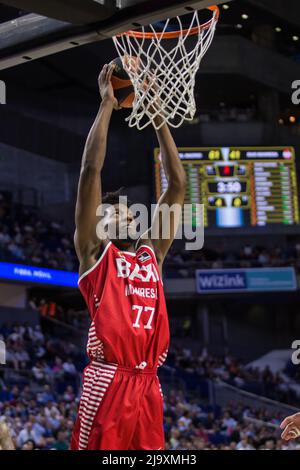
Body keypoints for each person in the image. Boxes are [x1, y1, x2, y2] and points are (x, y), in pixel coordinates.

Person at [70, 63, 186, 450]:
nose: (131, 213)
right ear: (100, 223)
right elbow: (90, 171)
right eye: (118, 210)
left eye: (130, 210)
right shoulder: (95, 257)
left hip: (149, 383)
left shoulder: (149, 257)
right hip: (109, 383)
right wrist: (106, 105)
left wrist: (157, 116)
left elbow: (178, 186)